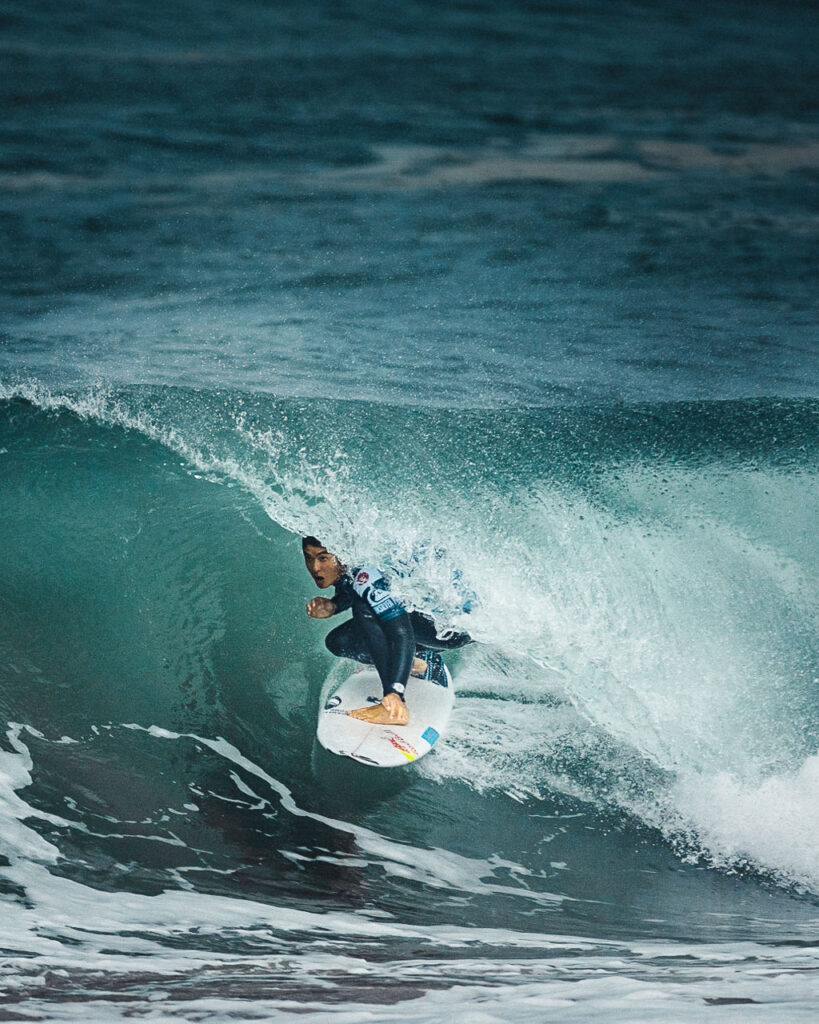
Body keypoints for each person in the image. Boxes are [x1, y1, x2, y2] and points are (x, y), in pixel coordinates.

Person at [302, 536, 471, 726]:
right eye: (309, 558)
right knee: (339, 641)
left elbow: (402, 635)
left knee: (365, 607)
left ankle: (394, 708)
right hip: (441, 619)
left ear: (340, 555)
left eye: (323, 558)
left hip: (454, 628)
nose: (315, 567)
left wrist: (394, 692)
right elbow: (354, 587)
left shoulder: (366, 576)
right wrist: (335, 605)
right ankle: (423, 664)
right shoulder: (358, 559)